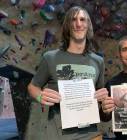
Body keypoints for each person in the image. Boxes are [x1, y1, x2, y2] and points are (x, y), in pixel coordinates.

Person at [27, 6, 108, 140]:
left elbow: (100, 97)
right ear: (67, 26)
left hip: (91, 135)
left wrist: (104, 100)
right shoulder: (50, 57)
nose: (78, 24)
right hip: (58, 135)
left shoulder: (98, 61)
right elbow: (32, 86)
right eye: (73, 19)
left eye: (82, 19)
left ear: (88, 25)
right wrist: (40, 96)